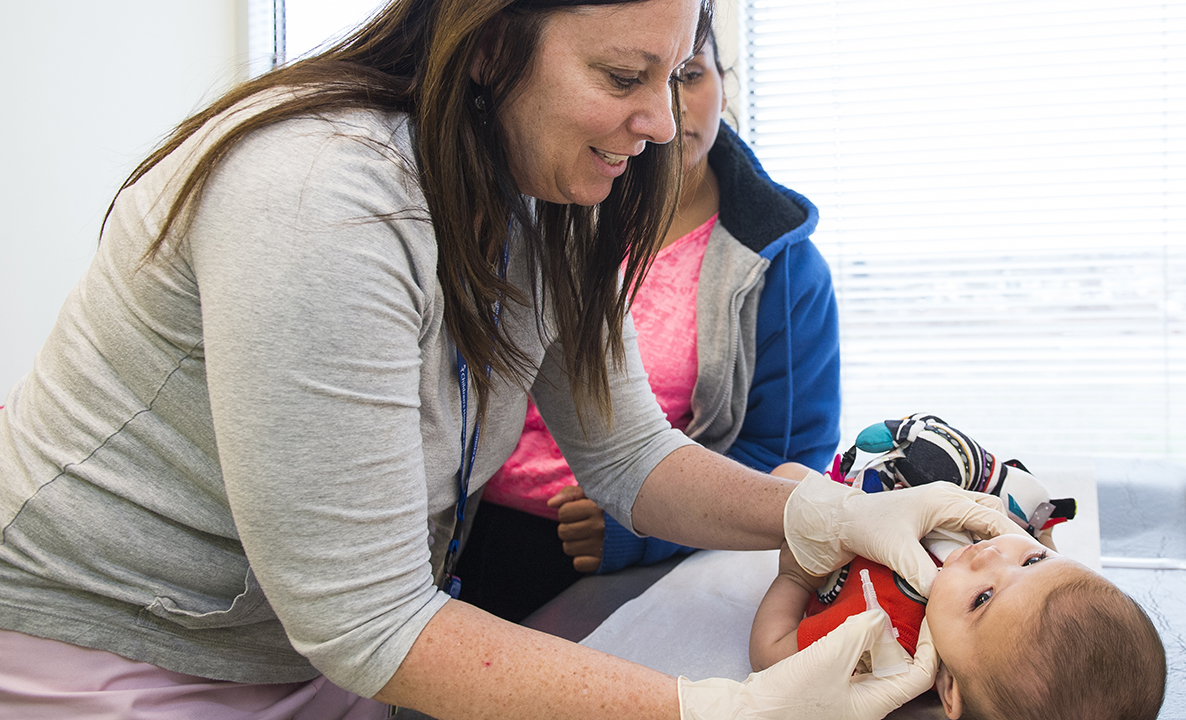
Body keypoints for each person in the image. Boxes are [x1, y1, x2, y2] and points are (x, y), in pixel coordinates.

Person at [0, 1, 1026, 718]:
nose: (663, 124)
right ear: (487, 47)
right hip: (118, 654)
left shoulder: (544, 199)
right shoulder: (317, 202)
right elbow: (368, 621)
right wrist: (718, 709)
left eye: (672, 76)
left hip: (308, 653)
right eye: (623, 77)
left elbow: (628, 457)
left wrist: (826, 511)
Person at [455, 26, 841, 622]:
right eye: (627, 78)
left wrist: (639, 534)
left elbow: (788, 460)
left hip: (629, 549)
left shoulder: (781, 268)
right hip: (468, 527)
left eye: (690, 76)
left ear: (724, 83)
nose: (667, 112)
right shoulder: (548, 206)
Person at [750, 529, 1168, 720]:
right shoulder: (992, 556)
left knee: (788, 482)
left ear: (949, 686)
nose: (991, 555)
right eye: (1034, 560)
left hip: (830, 549)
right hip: (877, 508)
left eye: (982, 598)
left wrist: (794, 577)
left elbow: (771, 652)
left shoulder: (884, 642)